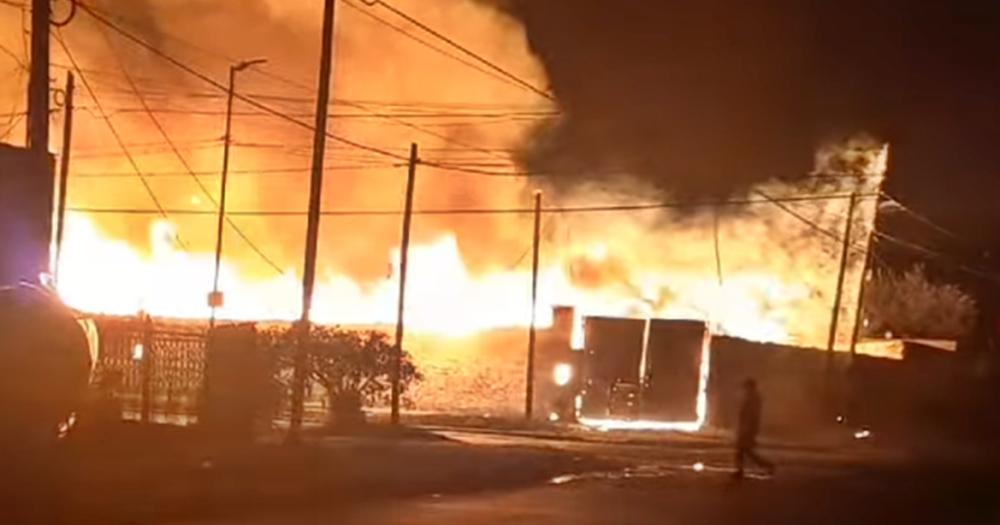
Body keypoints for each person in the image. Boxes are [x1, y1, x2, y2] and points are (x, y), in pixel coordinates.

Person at [733, 378, 775, 479]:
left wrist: (745, 429)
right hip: (748, 428)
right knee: (744, 451)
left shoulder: (753, 399)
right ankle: (740, 470)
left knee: (744, 451)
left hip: (748, 429)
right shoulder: (753, 398)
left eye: (746, 387)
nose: (745, 389)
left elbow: (750, 415)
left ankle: (767, 465)